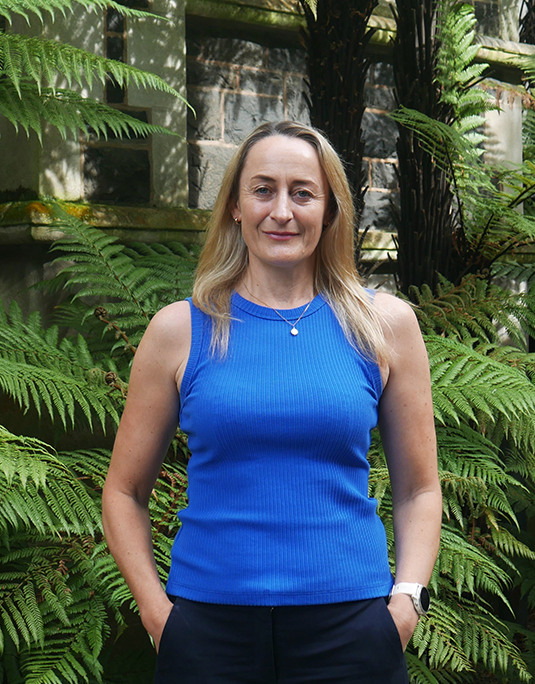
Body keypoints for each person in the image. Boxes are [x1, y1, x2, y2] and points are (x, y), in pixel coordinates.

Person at [102, 120, 441, 684]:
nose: (281, 211)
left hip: (351, 634)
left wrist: (406, 602)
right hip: (209, 636)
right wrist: (157, 615)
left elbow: (419, 488)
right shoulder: (180, 331)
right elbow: (123, 492)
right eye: (263, 190)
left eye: (302, 192)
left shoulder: (384, 326)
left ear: (330, 209)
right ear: (235, 206)